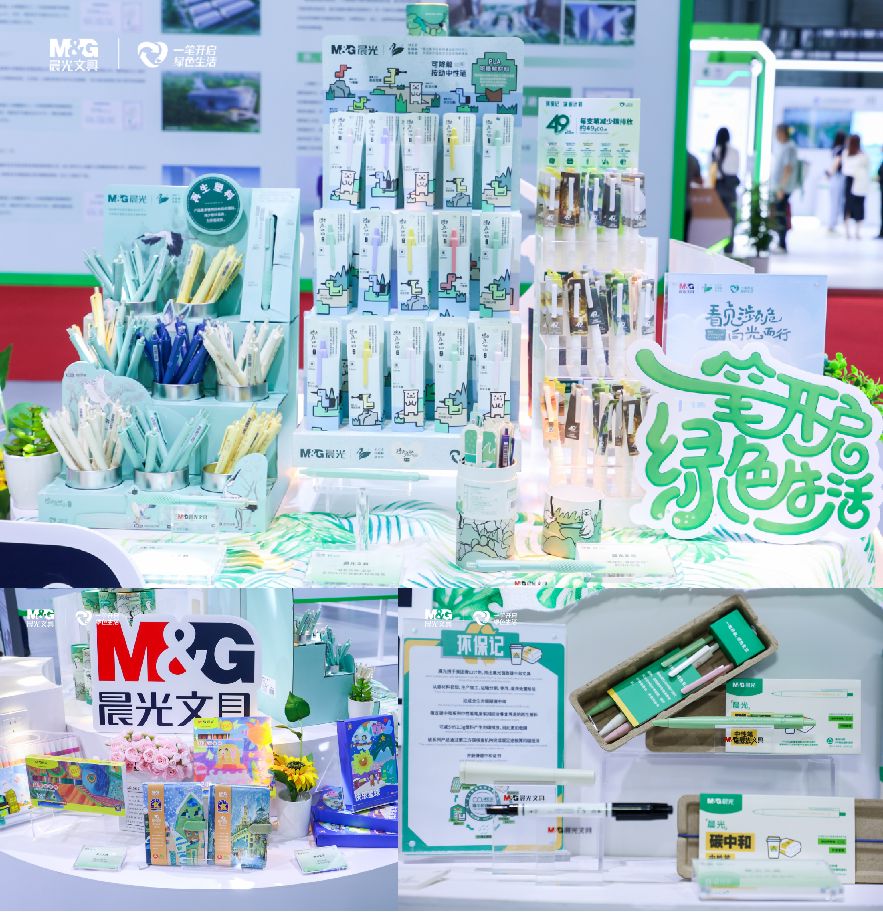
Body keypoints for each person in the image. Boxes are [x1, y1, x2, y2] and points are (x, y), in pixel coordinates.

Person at [710, 127, 740, 253]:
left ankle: (715, 247)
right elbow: (736, 169)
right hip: (731, 189)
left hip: (718, 188)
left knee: (717, 220)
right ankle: (729, 249)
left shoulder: (715, 151)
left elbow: (712, 173)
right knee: (730, 220)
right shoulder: (735, 152)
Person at [771, 123, 798, 252]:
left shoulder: (789, 147)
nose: (776, 135)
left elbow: (788, 168)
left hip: (783, 188)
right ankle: (780, 243)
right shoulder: (783, 146)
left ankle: (782, 244)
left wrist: (781, 187)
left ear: (782, 133)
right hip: (781, 187)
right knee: (779, 214)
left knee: (781, 215)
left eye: (777, 132)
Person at [841, 134, 870, 239]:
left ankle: (850, 232)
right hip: (855, 181)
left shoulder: (852, 154)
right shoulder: (860, 155)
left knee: (851, 206)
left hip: (855, 182)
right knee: (856, 206)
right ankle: (855, 232)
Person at [825, 130, 846, 233]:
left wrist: (830, 173)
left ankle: (832, 224)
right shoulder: (841, 149)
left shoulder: (835, 149)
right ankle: (832, 224)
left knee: (835, 201)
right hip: (838, 177)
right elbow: (837, 162)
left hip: (835, 177)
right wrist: (831, 173)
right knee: (836, 202)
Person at [684, 150, 702, 241]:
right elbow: (700, 181)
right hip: (687, 204)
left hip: (678, 203)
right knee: (684, 236)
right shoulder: (693, 159)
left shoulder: (672, 156)